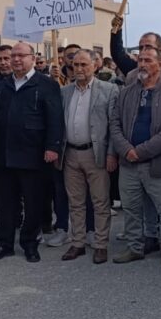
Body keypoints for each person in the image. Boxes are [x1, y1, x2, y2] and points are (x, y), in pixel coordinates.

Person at [0, 41, 64, 263]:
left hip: (34, 154)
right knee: (5, 203)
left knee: (34, 202)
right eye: (13, 56)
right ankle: (5, 243)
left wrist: (52, 146)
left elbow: (55, 119)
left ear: (32, 58)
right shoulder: (4, 85)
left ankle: (29, 243)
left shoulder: (47, 85)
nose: (16, 59)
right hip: (4, 155)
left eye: (21, 55)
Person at [110, 47, 161, 269]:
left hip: (158, 163)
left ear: (160, 65)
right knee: (132, 209)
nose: (142, 64)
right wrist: (126, 149)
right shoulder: (126, 92)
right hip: (128, 163)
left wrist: (141, 151)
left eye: (148, 60)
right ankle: (135, 247)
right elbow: (114, 123)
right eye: (139, 60)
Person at [60, 50, 118, 263]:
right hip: (71, 154)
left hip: (96, 154)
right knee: (75, 202)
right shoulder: (65, 92)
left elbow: (114, 125)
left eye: (84, 64)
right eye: (75, 65)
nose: (79, 69)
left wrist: (112, 153)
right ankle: (78, 242)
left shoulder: (109, 90)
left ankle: (101, 244)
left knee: (100, 201)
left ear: (95, 65)